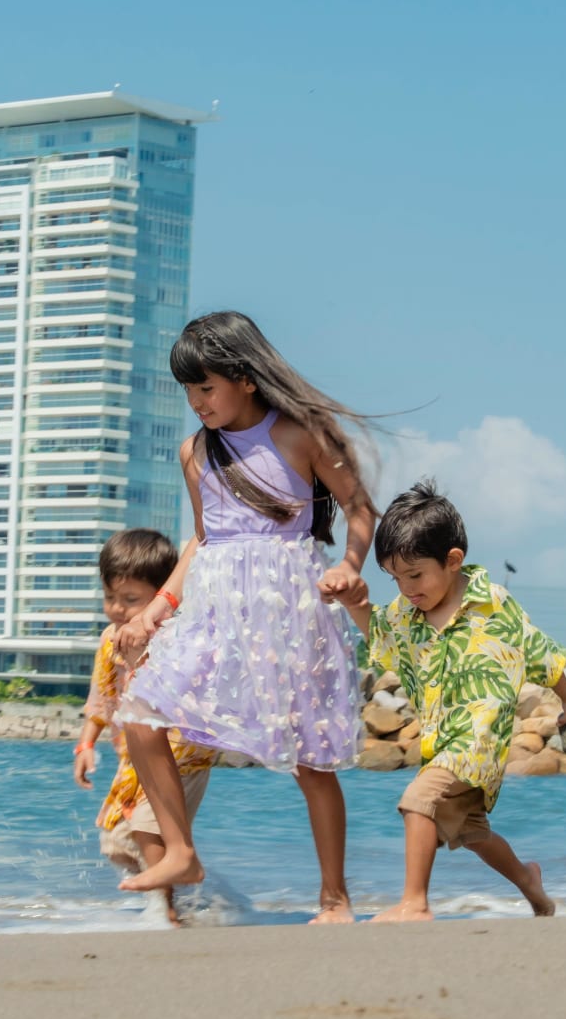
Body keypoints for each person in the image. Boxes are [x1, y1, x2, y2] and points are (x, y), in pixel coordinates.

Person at [111, 311, 376, 923]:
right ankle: (180, 851)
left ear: (245, 378)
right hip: (214, 611)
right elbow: (203, 541)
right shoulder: (194, 452)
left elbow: (360, 507)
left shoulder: (302, 433)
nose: (196, 402)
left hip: (291, 612)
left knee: (311, 762)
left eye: (206, 387)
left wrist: (351, 566)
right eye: (188, 391)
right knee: (141, 715)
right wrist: (156, 608)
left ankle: (334, 899)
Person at [340, 481, 566, 921]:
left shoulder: (492, 606)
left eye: (415, 575)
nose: (407, 588)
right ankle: (531, 883)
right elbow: (379, 634)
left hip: (479, 740)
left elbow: (539, 652)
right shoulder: (406, 614)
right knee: (471, 833)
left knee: (418, 800)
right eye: (395, 578)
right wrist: (355, 605)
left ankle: (414, 903)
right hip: (442, 739)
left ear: (453, 561)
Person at [72, 528, 220, 924]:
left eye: (130, 600)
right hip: (134, 761)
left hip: (181, 755)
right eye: (110, 598)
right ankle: (195, 903)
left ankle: (165, 909)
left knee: (148, 827)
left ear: (161, 595)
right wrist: (85, 745)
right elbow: (101, 698)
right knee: (117, 842)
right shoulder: (109, 640)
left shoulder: (174, 637)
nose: (118, 609)